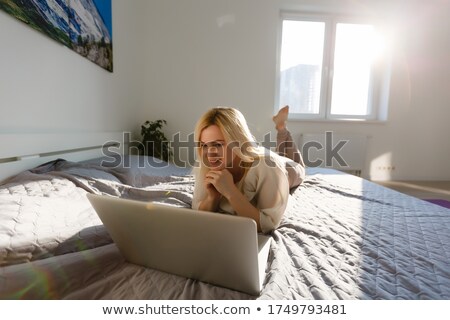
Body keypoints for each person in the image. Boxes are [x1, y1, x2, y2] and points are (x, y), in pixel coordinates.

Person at [192, 106, 305, 233]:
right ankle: (280, 128)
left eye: (218, 144)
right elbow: (198, 213)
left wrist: (230, 191)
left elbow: (267, 225)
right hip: (258, 156)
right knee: (279, 154)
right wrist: (212, 198)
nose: (209, 154)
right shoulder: (206, 164)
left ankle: (281, 128)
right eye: (204, 145)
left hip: (286, 169)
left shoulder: (269, 166)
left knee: (299, 166)